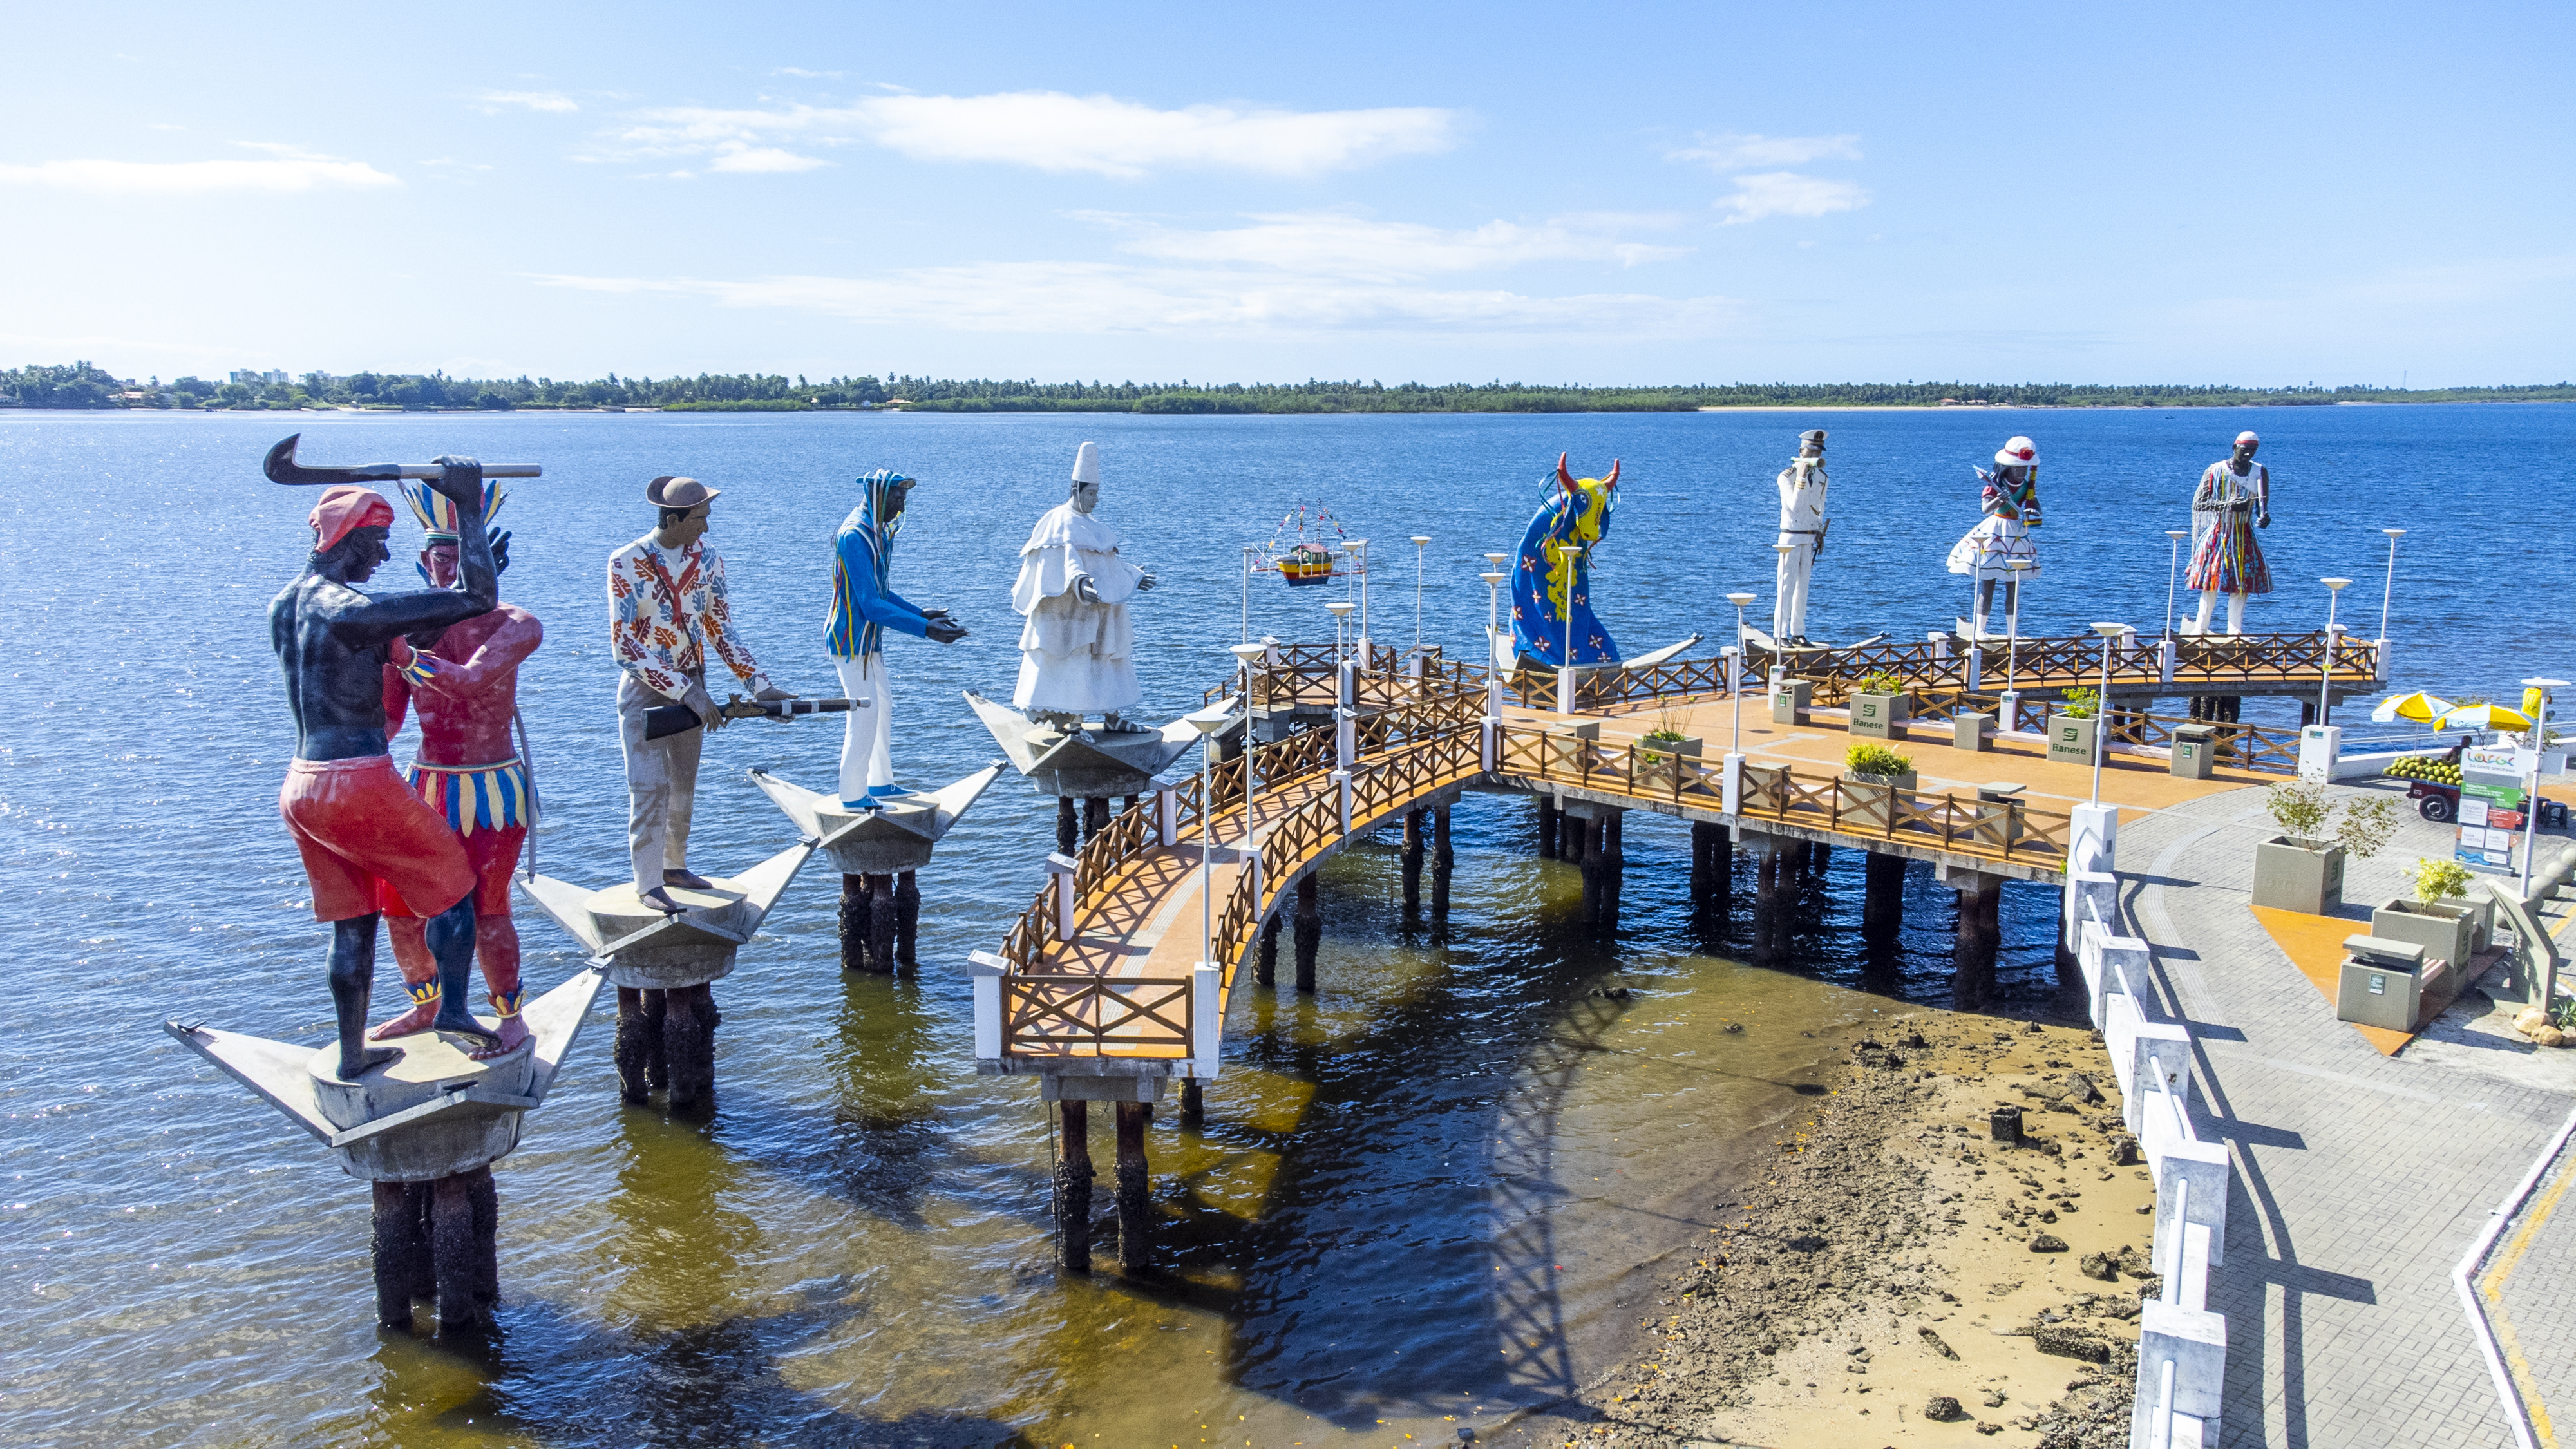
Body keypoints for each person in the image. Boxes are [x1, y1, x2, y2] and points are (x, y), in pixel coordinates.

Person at [270, 463, 500, 1079]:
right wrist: (468, 511)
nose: (386, 553)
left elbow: (396, 632)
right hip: (356, 781)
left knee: (353, 922)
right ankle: (453, 1009)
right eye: (376, 542)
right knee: (456, 887)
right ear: (347, 539)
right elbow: (479, 600)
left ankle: (353, 1054)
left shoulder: (287, 605)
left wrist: (439, 606)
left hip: (302, 784)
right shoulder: (349, 608)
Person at [367, 478, 541, 1059]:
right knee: (399, 905)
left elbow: (468, 684)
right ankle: (427, 1003)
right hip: (427, 783)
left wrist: (397, 650)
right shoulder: (405, 628)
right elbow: (388, 724)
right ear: (425, 563)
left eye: (468, 560)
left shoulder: (515, 623)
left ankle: (509, 1015)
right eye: (444, 560)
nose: (454, 573)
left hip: (491, 785)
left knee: (487, 907)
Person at [607, 475, 793, 912]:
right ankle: (648, 883)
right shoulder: (626, 562)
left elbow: (721, 630)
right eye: (699, 519)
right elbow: (625, 648)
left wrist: (760, 686)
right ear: (673, 519)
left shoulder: (708, 560)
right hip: (647, 689)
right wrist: (687, 691)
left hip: (694, 686)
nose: (706, 528)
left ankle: (674, 866)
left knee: (683, 786)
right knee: (649, 786)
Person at [825, 469, 968, 808]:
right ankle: (852, 793)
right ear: (878, 496)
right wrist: (925, 630)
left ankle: (880, 782)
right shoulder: (854, 536)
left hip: (868, 642)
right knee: (863, 713)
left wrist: (922, 614)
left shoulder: (874, 531)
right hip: (851, 641)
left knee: (883, 707)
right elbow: (871, 605)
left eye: (904, 498)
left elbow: (882, 591)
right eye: (896, 497)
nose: (901, 505)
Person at [1010, 442, 1157, 730]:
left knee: (1105, 657)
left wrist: (1133, 576)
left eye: (1097, 494)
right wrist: (1079, 584)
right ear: (1076, 491)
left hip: (1097, 612)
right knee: (1073, 661)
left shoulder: (1094, 526)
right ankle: (1071, 719)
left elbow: (1107, 562)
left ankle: (1111, 717)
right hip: (1068, 612)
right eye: (1091, 494)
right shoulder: (1059, 522)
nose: (1096, 500)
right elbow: (1068, 562)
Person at [1945, 435, 2045, 639]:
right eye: (2018, 468)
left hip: (2016, 533)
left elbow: (2036, 509)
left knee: (2013, 586)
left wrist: (2032, 514)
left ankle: (2011, 632)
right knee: (1987, 584)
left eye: (2025, 468)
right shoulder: (1996, 484)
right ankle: (1980, 629)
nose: (2021, 472)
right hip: (1995, 531)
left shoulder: (2027, 487)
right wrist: (1999, 500)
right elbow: (1985, 509)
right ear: (2008, 467)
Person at [2183, 430, 2272, 636]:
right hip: (2219, 534)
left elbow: (2262, 506)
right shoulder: (2216, 470)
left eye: (2253, 450)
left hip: (2244, 536)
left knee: (2242, 585)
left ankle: (2235, 631)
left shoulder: (2260, 472)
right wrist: (2227, 506)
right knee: (2211, 582)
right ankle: (2200, 629)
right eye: (2245, 450)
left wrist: (2264, 517)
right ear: (2235, 448)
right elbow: (2199, 503)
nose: (2249, 454)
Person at [1772, 429, 1828, 643]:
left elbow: (1820, 507)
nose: (1815, 455)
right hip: (1791, 537)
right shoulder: (1787, 477)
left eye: (1818, 452)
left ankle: (1798, 631)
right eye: (1811, 450)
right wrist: (1802, 478)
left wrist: (1819, 532)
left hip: (1809, 536)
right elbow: (1795, 507)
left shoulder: (1823, 478)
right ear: (1801, 451)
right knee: (1786, 587)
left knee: (1803, 587)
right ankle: (1780, 633)